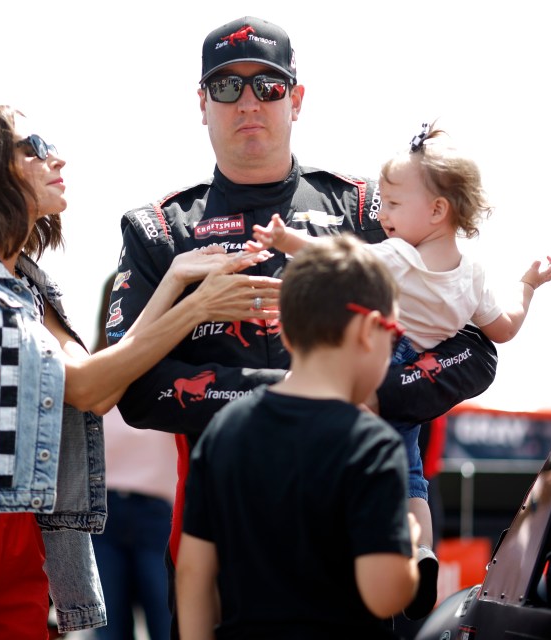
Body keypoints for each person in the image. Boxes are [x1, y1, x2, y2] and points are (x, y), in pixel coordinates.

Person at [108, 16, 498, 629]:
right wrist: (293, 398)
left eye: (267, 86)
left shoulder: (373, 207)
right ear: (202, 103)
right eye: (228, 88)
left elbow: (475, 343)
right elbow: (135, 388)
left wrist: (380, 394)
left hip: (359, 527)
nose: (248, 104)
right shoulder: (161, 229)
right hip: (225, 536)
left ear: (296, 99)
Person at [0, 105, 280, 640]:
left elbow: (96, 385)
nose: (55, 157)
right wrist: (195, 310)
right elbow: (85, 386)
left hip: (19, 530)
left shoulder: (28, 285)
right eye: (32, 145)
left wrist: (174, 280)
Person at [249, 122, 551, 613]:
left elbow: (339, 258)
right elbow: (503, 330)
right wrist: (528, 285)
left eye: (393, 204)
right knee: (411, 476)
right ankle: (420, 553)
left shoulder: (396, 257)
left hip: (381, 363)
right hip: (419, 382)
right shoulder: (475, 276)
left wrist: (288, 241)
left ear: (437, 210)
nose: (381, 213)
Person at [176, 235, 422, 639]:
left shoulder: (225, 428)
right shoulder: (371, 444)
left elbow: (193, 573)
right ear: (366, 330)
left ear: (286, 334)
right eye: (394, 333)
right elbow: (384, 594)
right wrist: (408, 545)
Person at [91, 274, 177, 640]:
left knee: (169, 624)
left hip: (160, 519)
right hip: (99, 520)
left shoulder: (178, 375)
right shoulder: (89, 374)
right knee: (110, 632)